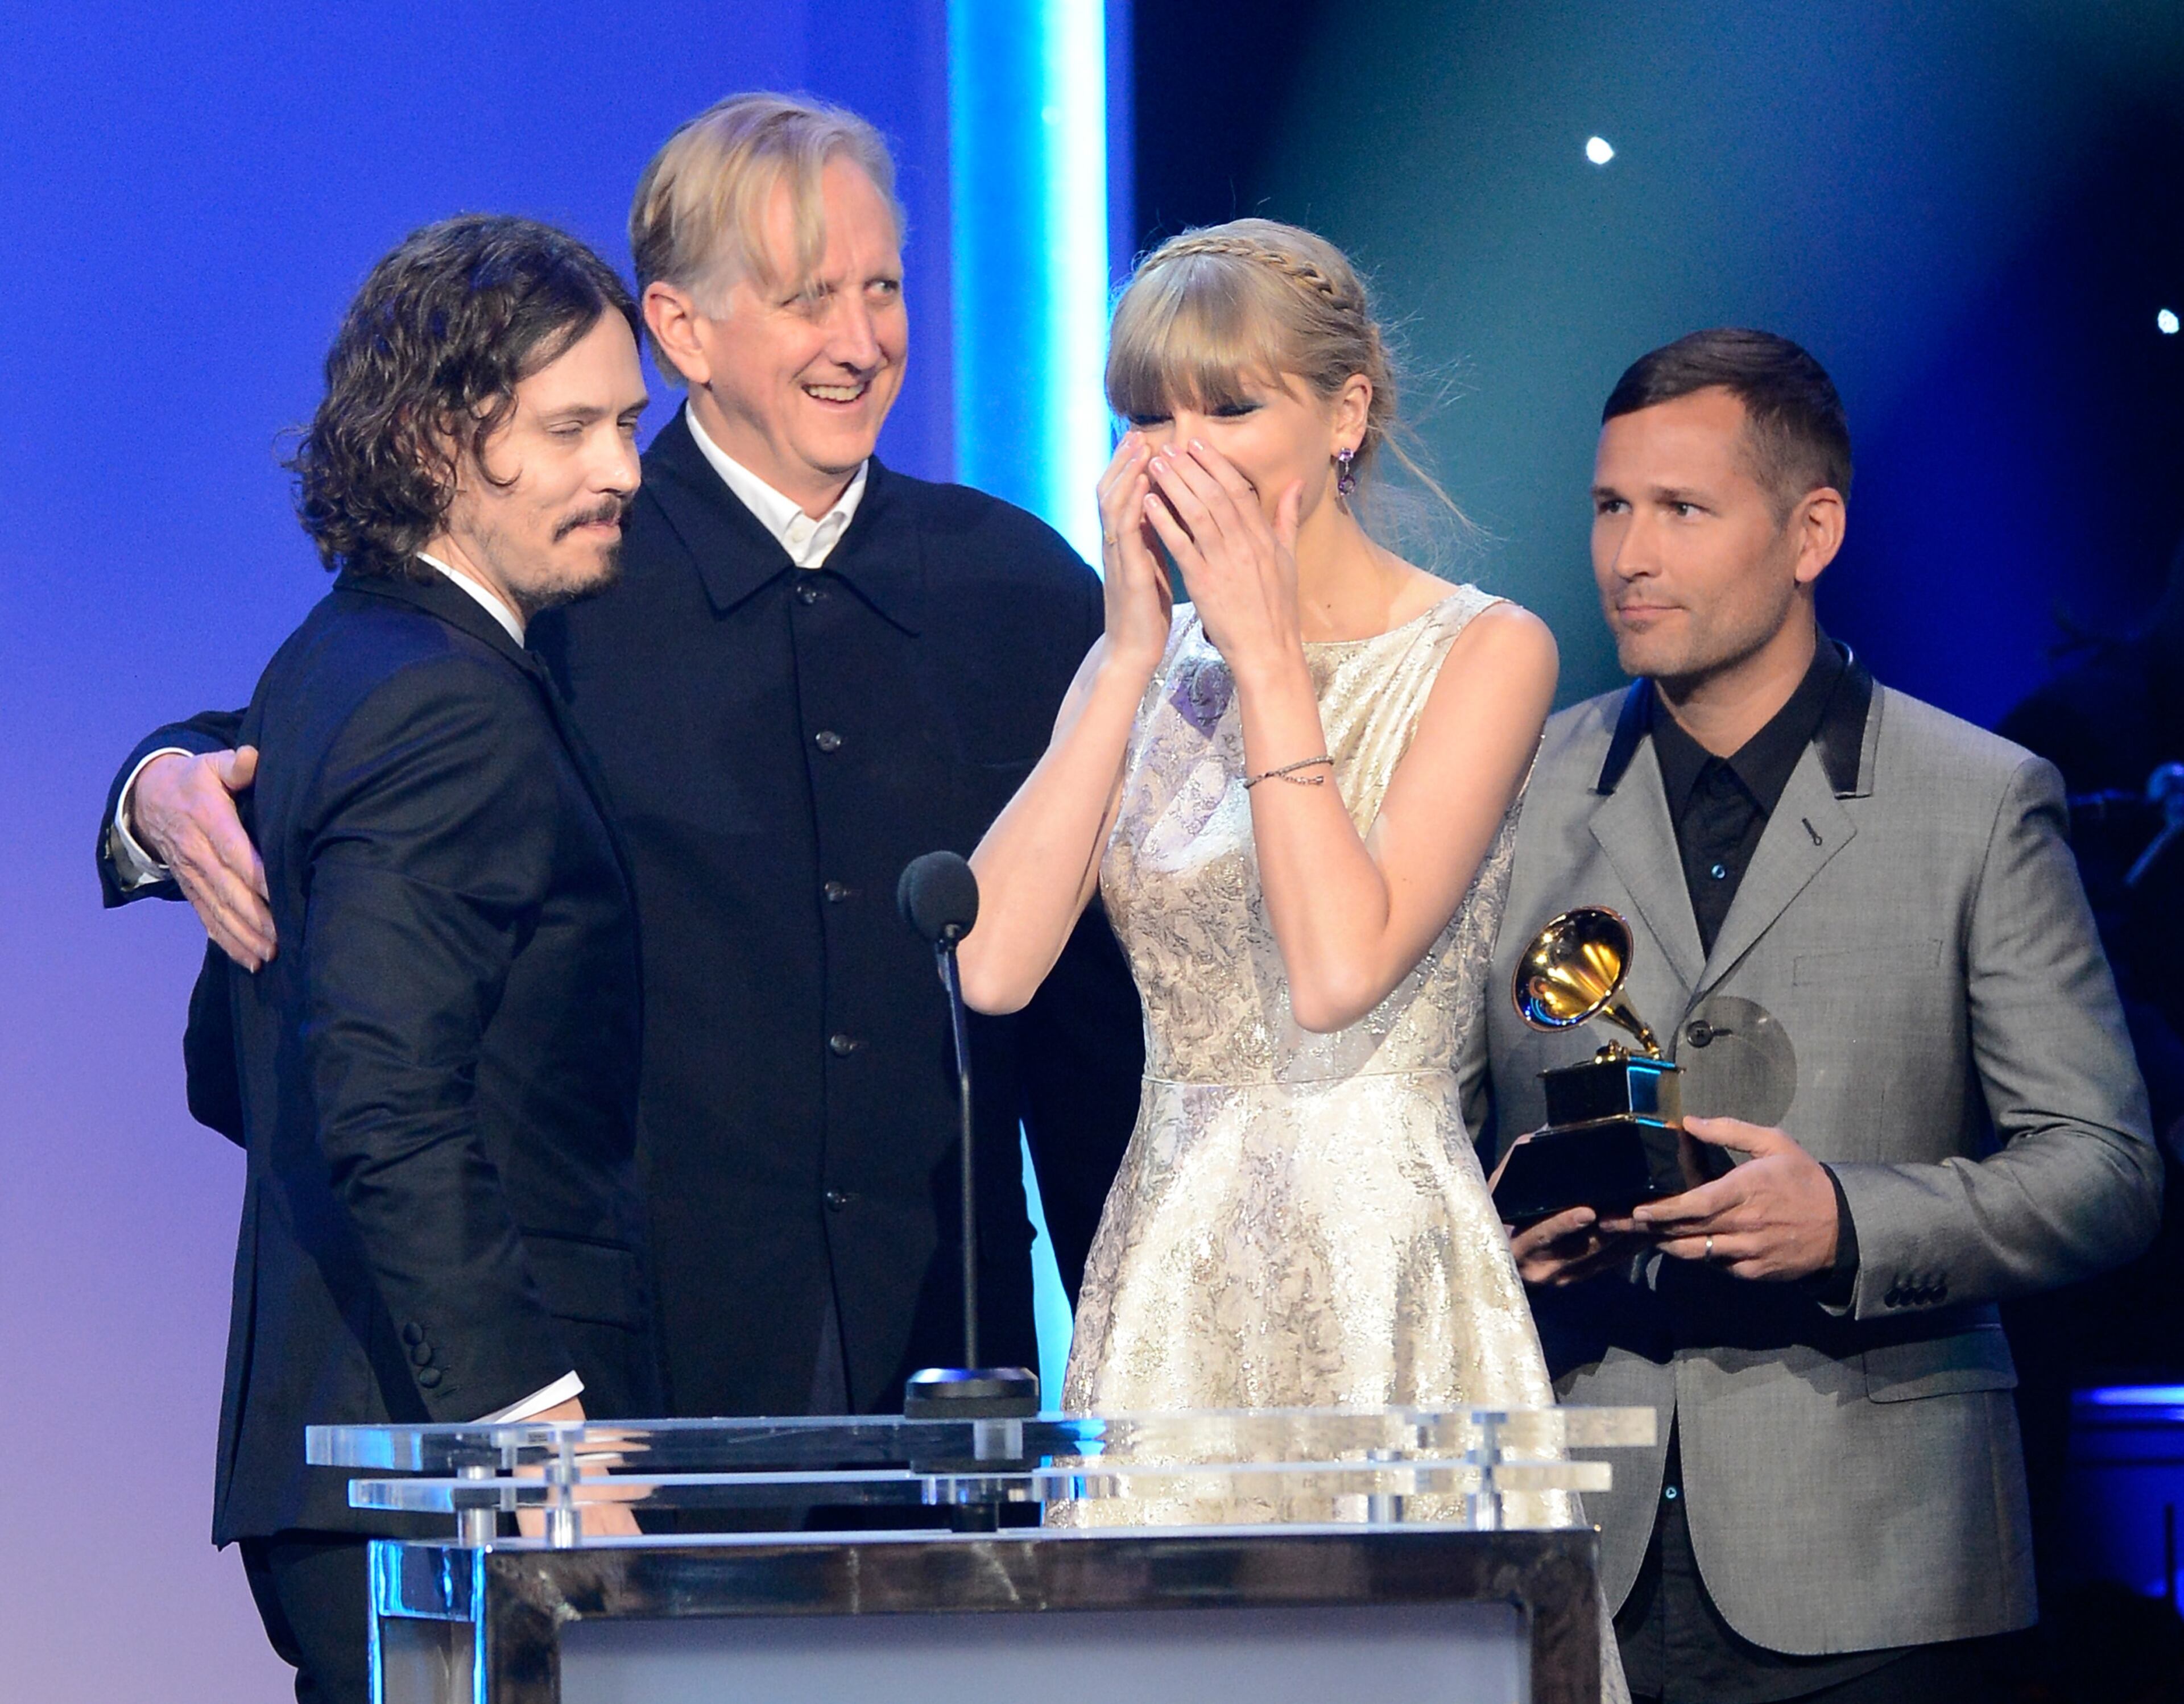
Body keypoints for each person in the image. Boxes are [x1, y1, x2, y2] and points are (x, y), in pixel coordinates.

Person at [97, 94, 1143, 1422]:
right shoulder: (565, 560)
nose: (862, 340)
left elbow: (1095, 1028)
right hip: (642, 1365)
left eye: (882, 287)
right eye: (807, 294)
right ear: (682, 329)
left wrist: (1135, 1372)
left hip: (950, 1354)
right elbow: (342, 709)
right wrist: (158, 784)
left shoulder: (1023, 589)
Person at [1461, 328, 2162, 1703]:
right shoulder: (1512, 790)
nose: (1628, 555)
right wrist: (1497, 1235)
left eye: (1682, 509)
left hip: (1885, 1558)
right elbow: (1430, 1123)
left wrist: (1847, 1218)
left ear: (1811, 530)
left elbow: (2106, 1167)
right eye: (1610, 506)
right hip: (1565, 1544)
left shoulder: (1976, 799)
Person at [101, 215, 665, 1704]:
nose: (622, 468)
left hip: (367, 1466)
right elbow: (385, 1105)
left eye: (629, 422)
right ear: (433, 440)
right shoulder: (448, 708)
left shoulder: (333, 659)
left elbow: (241, 1068)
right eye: (573, 429)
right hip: (450, 1481)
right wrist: (539, 1441)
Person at [958, 216, 1565, 1467]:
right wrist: (1132, 651)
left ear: (1347, 415)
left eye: (1227, 409)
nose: (1181, 458)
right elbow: (993, 968)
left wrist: (1265, 652)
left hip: (1380, 1256)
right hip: (1173, 1254)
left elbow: (1339, 971)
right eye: (1149, 418)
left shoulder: (1487, 651)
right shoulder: (1139, 664)